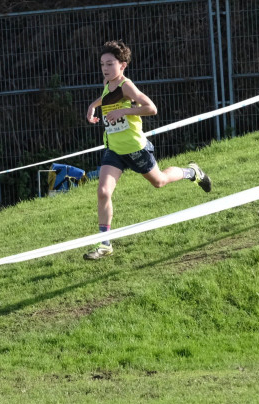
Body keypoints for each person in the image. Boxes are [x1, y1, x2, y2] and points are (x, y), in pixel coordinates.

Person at [84, 40, 212, 260]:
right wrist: (93, 106)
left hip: (135, 149)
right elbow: (106, 97)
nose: (105, 68)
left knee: (159, 181)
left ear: (122, 65)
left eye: (110, 64)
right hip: (114, 150)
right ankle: (105, 244)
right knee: (103, 192)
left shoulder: (126, 85)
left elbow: (151, 108)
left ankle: (192, 172)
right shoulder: (109, 82)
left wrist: (124, 111)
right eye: (102, 64)